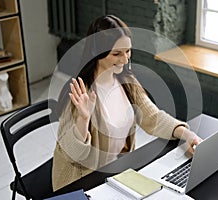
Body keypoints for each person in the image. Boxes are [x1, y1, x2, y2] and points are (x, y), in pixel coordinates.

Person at [52, 15, 202, 191]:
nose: (125, 60)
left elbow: (152, 117)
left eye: (128, 51)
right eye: (116, 53)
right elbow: (73, 153)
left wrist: (187, 135)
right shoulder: (80, 92)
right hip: (82, 179)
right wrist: (83, 120)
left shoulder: (127, 82)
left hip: (115, 171)